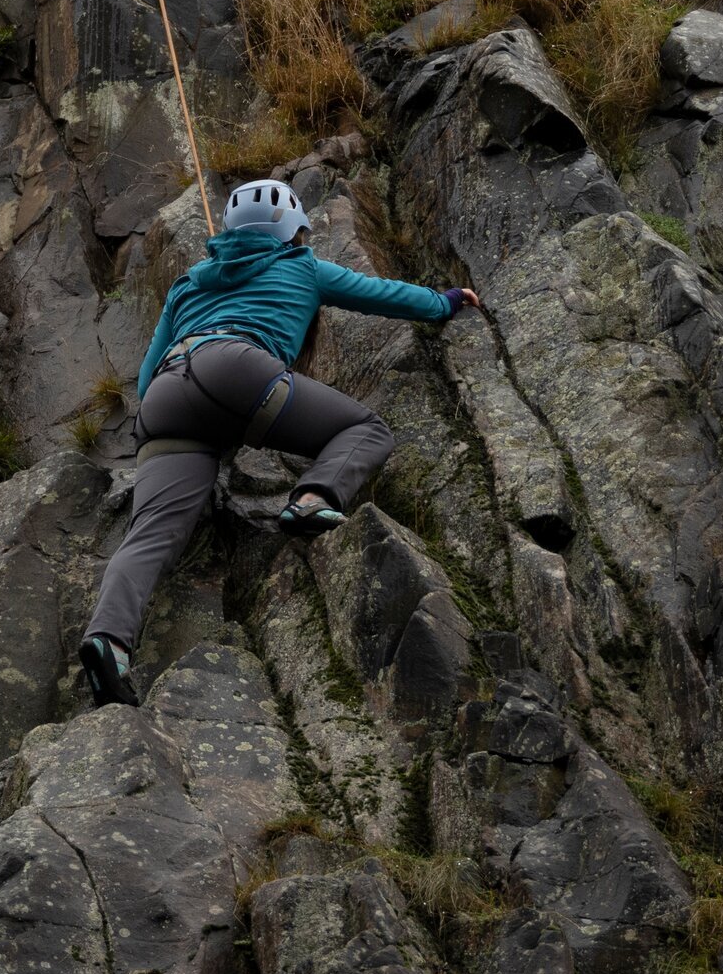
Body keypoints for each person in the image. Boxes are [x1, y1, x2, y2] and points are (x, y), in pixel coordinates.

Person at [78, 178, 479, 707]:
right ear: (293, 230)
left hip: (166, 399)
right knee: (366, 430)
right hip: (239, 369)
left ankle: (109, 641)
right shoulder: (302, 265)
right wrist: (446, 302)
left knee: (149, 536)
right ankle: (313, 498)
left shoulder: (187, 285)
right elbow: (381, 295)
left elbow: (148, 376)